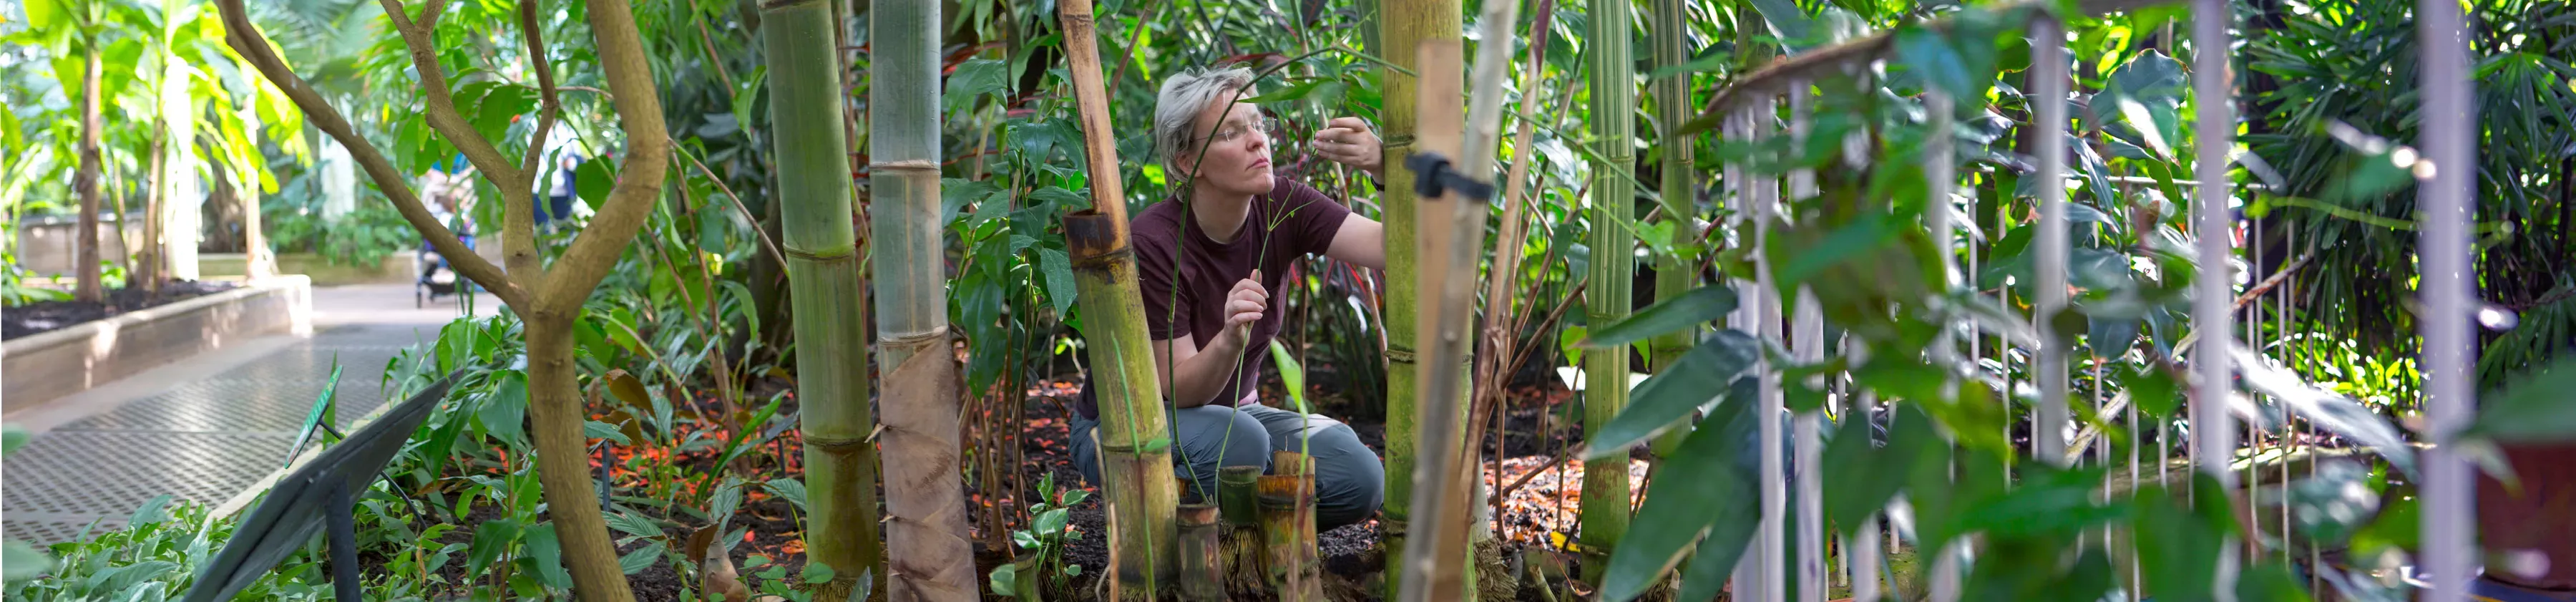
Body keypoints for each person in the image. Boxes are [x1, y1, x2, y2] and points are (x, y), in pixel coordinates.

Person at [1069, 67, 1392, 532]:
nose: (1258, 141)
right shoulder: (1156, 242)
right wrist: (1228, 340)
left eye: (1259, 124)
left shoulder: (1284, 203)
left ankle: (1237, 532)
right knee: (1242, 442)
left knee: (1357, 473)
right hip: (1127, 427)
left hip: (1238, 419)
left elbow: (1388, 249)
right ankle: (1191, 546)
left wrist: (1381, 167)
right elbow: (1178, 388)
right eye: (1232, 132)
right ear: (1187, 162)